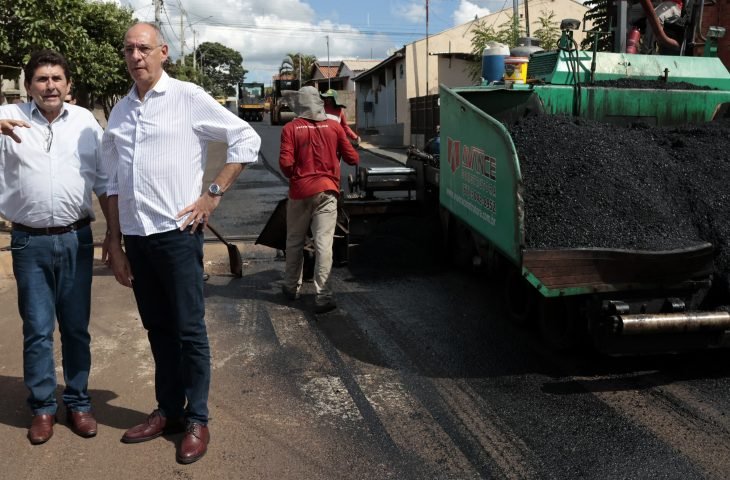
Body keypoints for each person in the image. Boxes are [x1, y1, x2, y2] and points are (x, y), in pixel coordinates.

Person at [102, 22, 260, 465]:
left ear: (163, 52)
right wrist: (113, 239)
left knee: (190, 332)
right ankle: (170, 411)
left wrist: (212, 194)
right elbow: (113, 181)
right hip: (137, 237)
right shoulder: (119, 111)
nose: (136, 56)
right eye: (129, 49)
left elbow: (245, 139)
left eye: (144, 48)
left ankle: (198, 418)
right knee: (158, 331)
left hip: (177, 235)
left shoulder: (188, 97)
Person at [0, 49, 109, 445]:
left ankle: (78, 402)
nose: (50, 85)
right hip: (28, 241)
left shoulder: (84, 122)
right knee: (38, 330)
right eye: (42, 79)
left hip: (77, 238)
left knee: (77, 329)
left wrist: (113, 234)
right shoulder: (6, 117)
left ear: (68, 85)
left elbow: (104, 180)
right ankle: (43, 408)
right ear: (29, 86)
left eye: (56, 78)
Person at [279, 86, 359, 313]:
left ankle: (291, 287)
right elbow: (353, 158)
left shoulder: (291, 128)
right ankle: (323, 296)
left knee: (294, 241)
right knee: (324, 244)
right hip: (328, 192)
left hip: (300, 192)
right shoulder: (334, 127)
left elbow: (285, 164)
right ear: (319, 104)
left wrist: (297, 177)